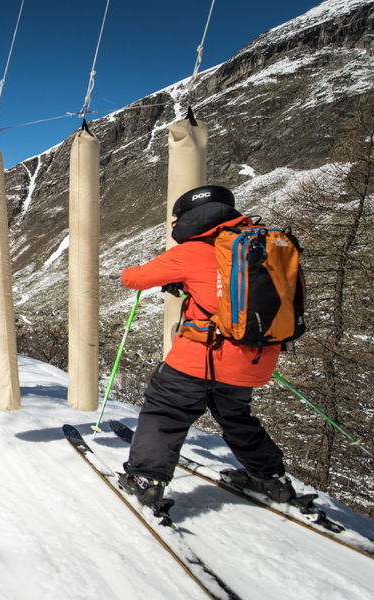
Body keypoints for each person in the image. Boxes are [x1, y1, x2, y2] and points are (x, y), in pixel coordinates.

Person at [118, 185, 296, 506]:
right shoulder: (264, 245)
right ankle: (271, 479)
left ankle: (146, 477)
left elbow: (133, 278)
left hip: (199, 358)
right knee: (237, 417)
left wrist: (176, 275)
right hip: (254, 357)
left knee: (166, 411)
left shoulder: (192, 251)